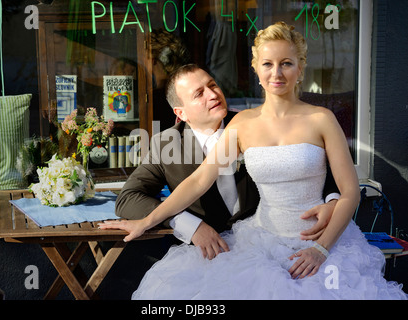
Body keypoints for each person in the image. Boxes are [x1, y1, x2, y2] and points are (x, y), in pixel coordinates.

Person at [99, 22, 408, 299]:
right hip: (260, 245)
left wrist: (321, 248)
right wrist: (146, 222)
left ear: (300, 67)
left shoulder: (322, 119)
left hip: (322, 245)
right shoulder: (242, 124)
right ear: (257, 70)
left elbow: (350, 191)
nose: (277, 73)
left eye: (286, 63)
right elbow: (198, 180)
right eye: (268, 64)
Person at [115, 63, 340, 260]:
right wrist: (188, 225)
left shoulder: (253, 123)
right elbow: (128, 199)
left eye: (212, 85)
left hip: (270, 244)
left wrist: (332, 201)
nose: (212, 95)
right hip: (208, 255)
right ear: (181, 113)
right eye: (199, 94)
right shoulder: (164, 144)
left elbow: (313, 163)